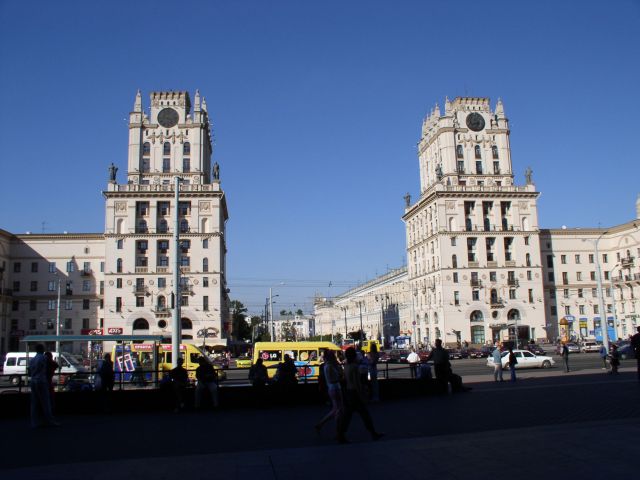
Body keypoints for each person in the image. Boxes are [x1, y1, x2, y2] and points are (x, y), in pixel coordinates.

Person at [337, 347, 383, 444]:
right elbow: (357, 383)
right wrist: (362, 395)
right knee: (364, 414)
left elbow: (345, 379)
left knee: (348, 416)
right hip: (355, 394)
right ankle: (373, 433)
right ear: (354, 356)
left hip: (349, 392)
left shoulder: (346, 366)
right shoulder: (354, 367)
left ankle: (340, 434)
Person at [29, 344, 60, 427]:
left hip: (33, 381)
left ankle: (34, 422)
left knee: (34, 403)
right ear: (42, 350)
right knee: (46, 402)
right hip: (42, 381)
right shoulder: (44, 358)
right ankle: (50, 420)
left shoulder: (32, 360)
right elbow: (55, 364)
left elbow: (29, 372)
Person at [315, 350, 344, 435]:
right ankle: (337, 430)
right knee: (338, 409)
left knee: (336, 409)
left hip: (332, 388)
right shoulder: (330, 366)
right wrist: (340, 377)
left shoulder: (327, 365)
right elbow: (333, 379)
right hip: (335, 388)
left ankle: (321, 424)